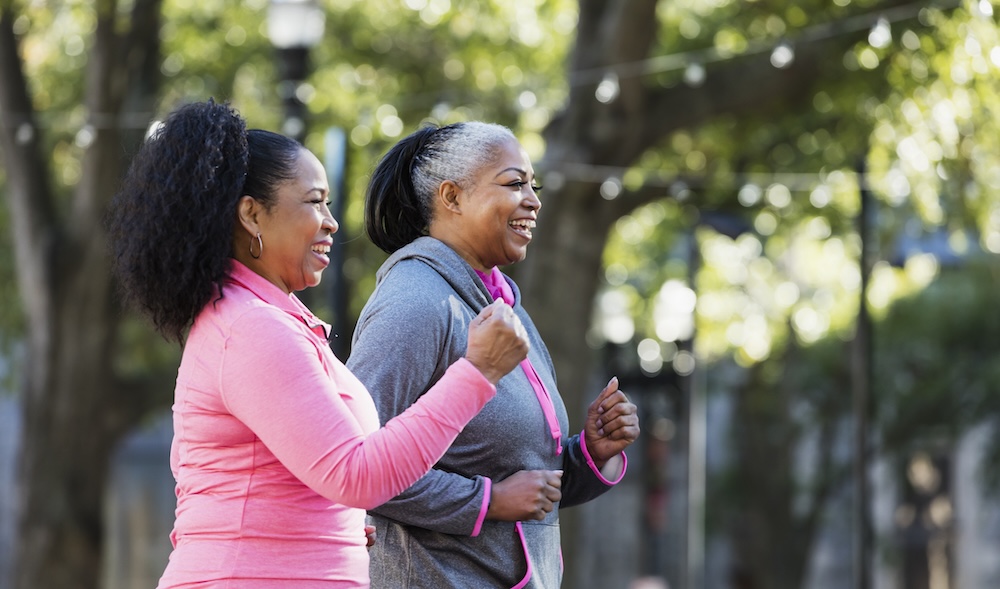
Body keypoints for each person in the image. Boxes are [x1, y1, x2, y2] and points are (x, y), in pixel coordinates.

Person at [105, 101, 530, 589]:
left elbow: (320, 481)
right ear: (252, 215)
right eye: (314, 201)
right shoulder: (251, 328)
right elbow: (358, 476)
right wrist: (478, 372)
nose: (331, 222)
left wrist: (335, 531)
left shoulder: (265, 320)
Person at [347, 121, 641, 588]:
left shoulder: (503, 307)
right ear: (452, 197)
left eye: (534, 184)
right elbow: (356, 468)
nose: (534, 199)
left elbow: (528, 487)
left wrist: (589, 453)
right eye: (513, 183)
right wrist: (487, 500)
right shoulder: (415, 300)